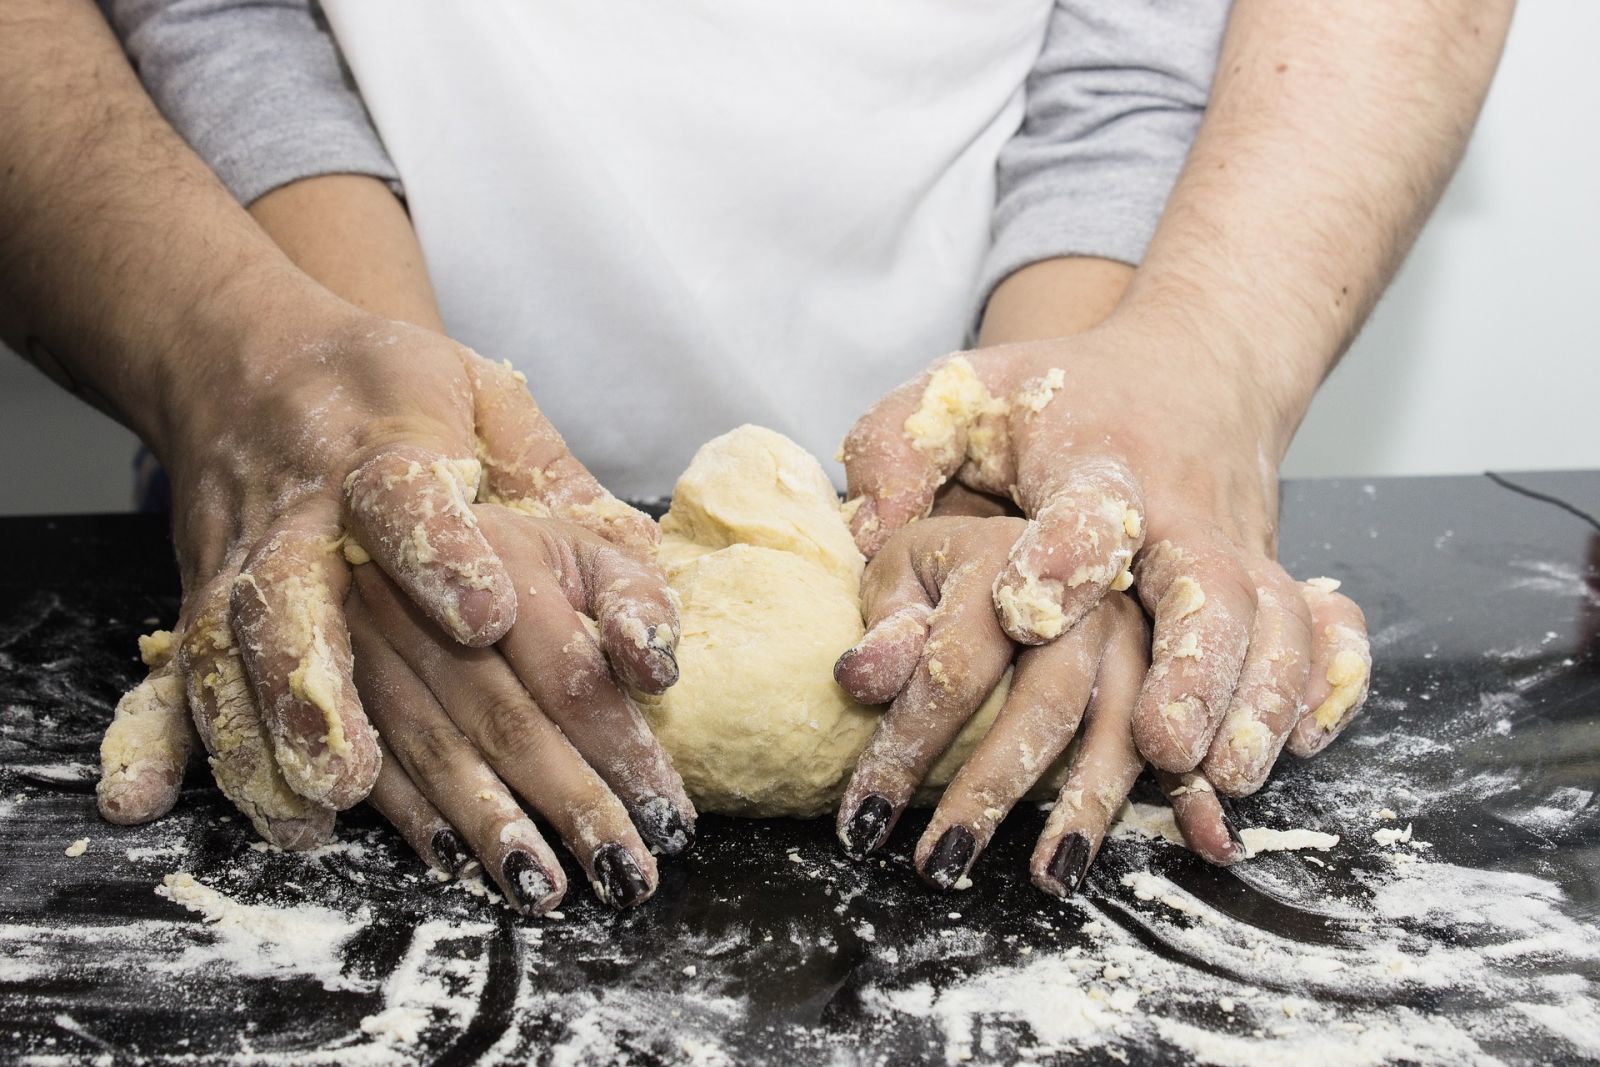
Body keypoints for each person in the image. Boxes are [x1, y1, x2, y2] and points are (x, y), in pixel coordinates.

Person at [0, 0, 1511, 910]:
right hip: (305, 325)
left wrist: (1090, 429)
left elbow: (1140, 48)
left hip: (1053, 367)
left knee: (1068, 609)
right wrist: (323, 391)